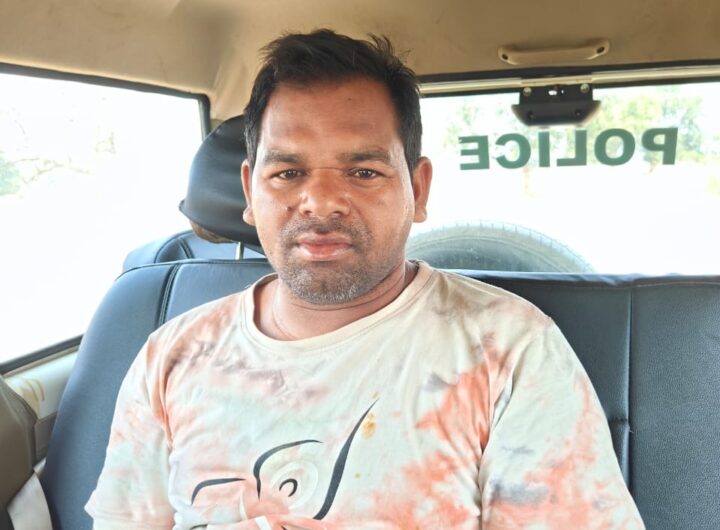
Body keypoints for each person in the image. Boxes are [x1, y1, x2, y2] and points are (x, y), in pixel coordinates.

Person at [86, 30, 645, 529]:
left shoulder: (508, 348)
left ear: (417, 190)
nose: (321, 201)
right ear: (250, 191)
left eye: (362, 171)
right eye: (288, 172)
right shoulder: (172, 355)